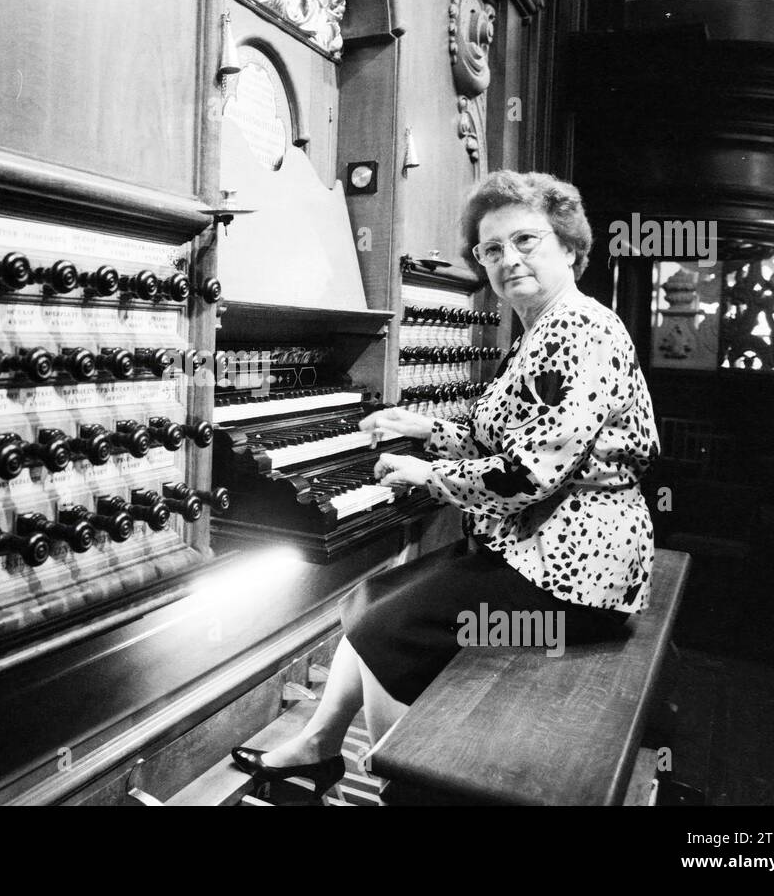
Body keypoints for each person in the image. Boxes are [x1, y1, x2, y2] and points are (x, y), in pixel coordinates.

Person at [231, 170, 661, 798]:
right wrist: (425, 429)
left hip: (576, 593)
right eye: (491, 249)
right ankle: (320, 746)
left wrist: (428, 476)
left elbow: (527, 473)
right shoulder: (542, 328)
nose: (507, 259)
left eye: (526, 241)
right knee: (371, 599)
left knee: (387, 633)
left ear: (569, 247)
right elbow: (506, 440)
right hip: (542, 555)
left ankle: (411, 787)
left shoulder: (580, 330)